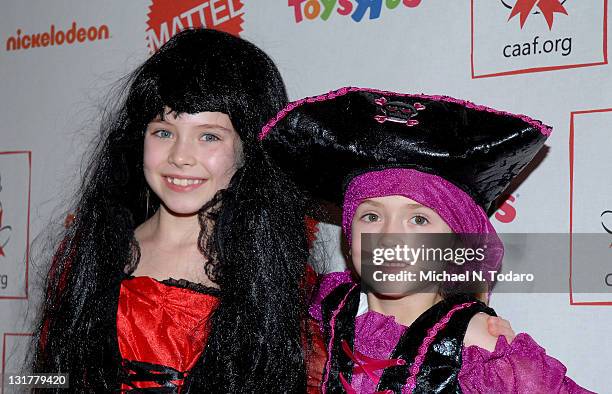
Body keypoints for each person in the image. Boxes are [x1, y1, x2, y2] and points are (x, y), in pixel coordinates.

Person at [32, 28, 311, 393]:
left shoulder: (276, 274)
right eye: (163, 132)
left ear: (249, 151)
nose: (180, 156)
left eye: (209, 136)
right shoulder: (90, 257)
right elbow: (51, 377)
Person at [261, 87, 593, 393]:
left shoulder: (478, 346)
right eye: (371, 216)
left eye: (418, 219)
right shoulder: (323, 308)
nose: (388, 238)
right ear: (349, 235)